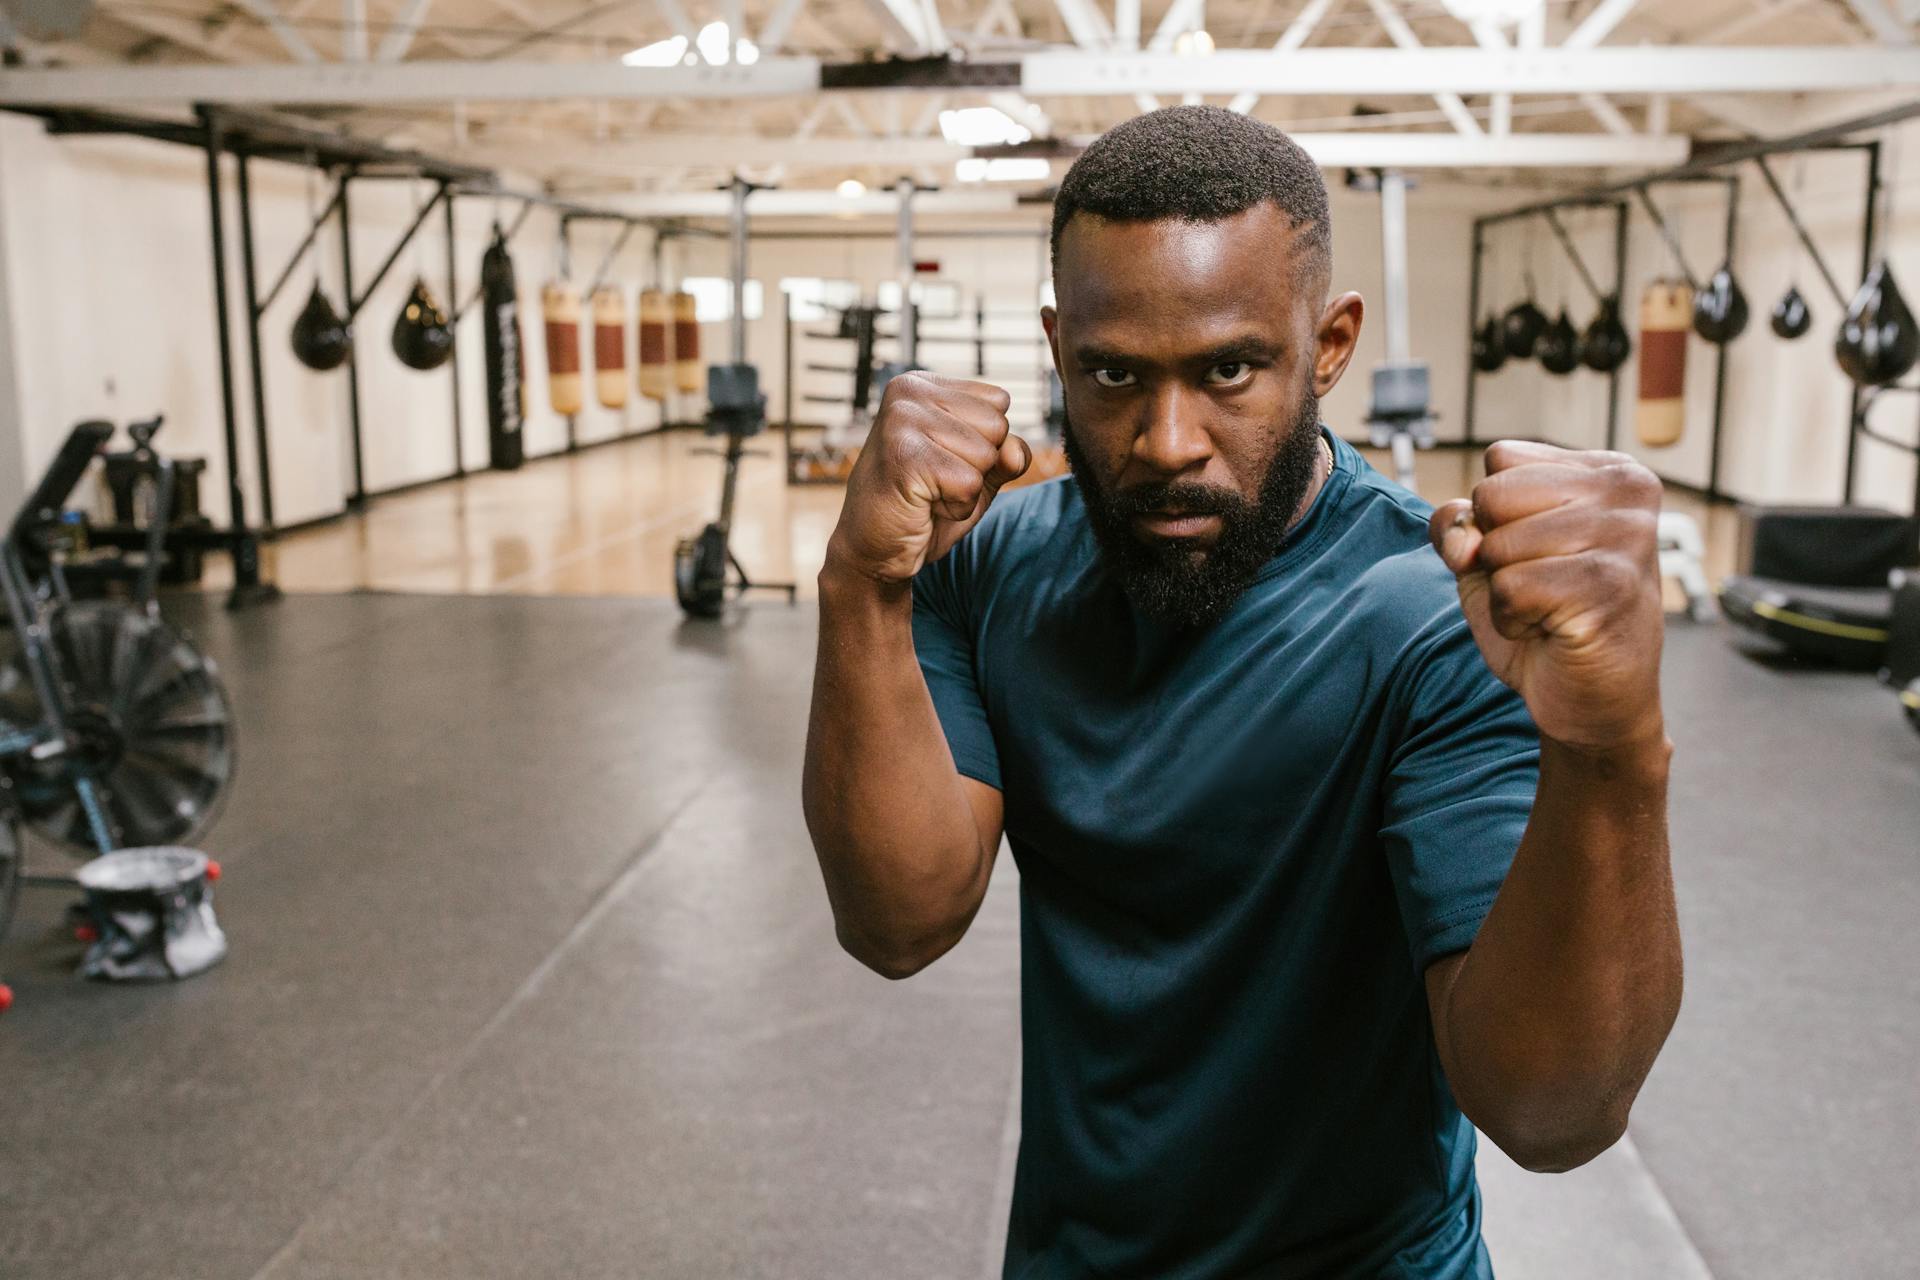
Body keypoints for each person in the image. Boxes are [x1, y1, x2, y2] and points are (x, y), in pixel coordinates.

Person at [802, 106, 1682, 1279]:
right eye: (1116, 373)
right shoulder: (992, 563)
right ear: (1060, 348)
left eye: (1229, 368)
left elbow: (1553, 1110)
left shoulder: (1432, 614)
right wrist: (859, 582)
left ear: (1327, 344)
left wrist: (1614, 753)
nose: (1168, 440)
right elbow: (898, 922)